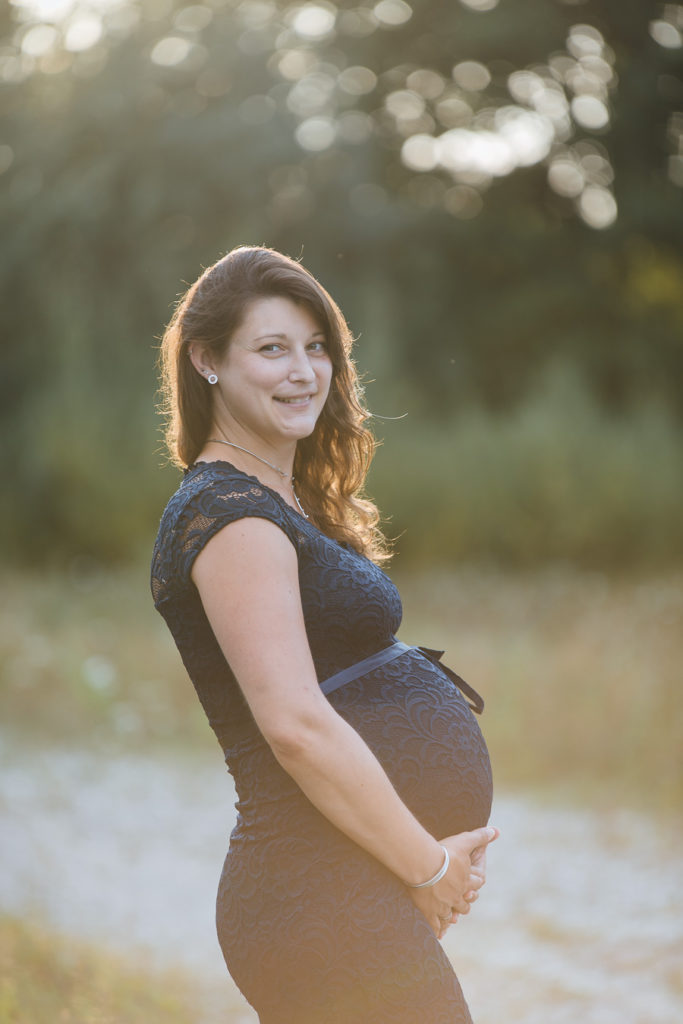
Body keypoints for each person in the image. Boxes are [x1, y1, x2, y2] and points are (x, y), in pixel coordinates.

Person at [151, 245, 498, 1024]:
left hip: (345, 880)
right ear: (206, 360)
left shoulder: (279, 501)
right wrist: (427, 865)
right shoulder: (230, 515)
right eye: (271, 349)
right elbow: (297, 725)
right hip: (312, 890)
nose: (303, 372)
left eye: (316, 349)